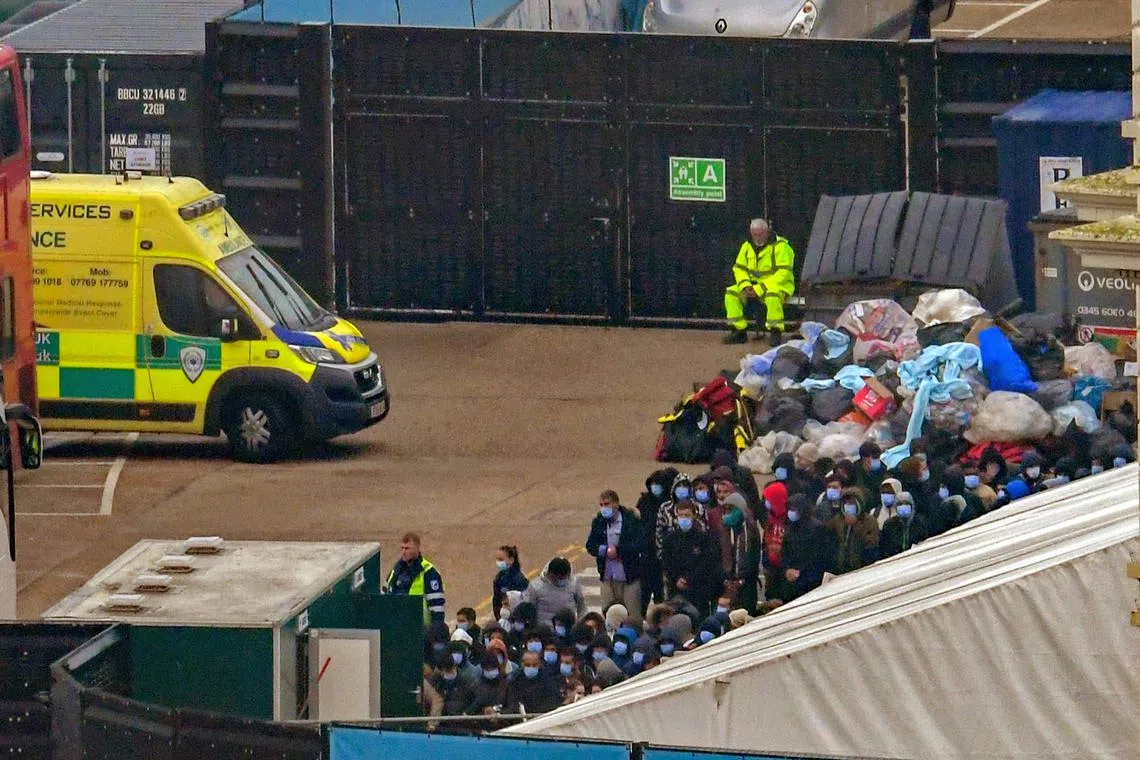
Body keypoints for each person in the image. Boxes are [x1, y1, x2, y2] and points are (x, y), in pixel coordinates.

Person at [722, 218, 796, 344]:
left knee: (773, 296)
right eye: (754, 235)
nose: (757, 238)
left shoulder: (782, 247)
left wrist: (759, 288)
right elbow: (739, 269)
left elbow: (783, 273)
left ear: (767, 232)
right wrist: (746, 286)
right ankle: (739, 331)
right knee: (731, 293)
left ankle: (775, 332)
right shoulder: (746, 246)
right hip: (751, 286)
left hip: (778, 286)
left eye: (760, 234)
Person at [585, 489, 645, 626]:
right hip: (608, 576)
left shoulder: (631, 521)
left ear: (616, 504)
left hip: (629, 576)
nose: (604, 508)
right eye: (601, 505)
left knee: (632, 615)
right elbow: (590, 545)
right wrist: (604, 550)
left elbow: (639, 544)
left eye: (607, 504)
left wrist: (619, 551)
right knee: (607, 612)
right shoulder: (599, 522)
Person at [660, 501, 722, 617]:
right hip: (676, 589)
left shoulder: (703, 538)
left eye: (687, 515)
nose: (684, 519)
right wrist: (676, 578)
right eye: (681, 515)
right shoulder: (670, 539)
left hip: (698, 589)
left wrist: (689, 579)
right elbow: (666, 562)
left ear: (693, 516)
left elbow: (706, 562)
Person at [775, 497, 834, 602]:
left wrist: (800, 572)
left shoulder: (817, 529)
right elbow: (785, 553)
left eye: (794, 509)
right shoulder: (790, 528)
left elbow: (819, 556)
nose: (791, 512)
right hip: (791, 583)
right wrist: (787, 570)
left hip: (810, 581)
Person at [637, 468, 678, 611]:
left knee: (661, 595)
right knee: (644, 593)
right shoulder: (645, 501)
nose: (655, 487)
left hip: (662, 554)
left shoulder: (668, 504)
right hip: (647, 555)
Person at [385, 532, 445, 625]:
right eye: (402, 548)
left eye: (408, 548)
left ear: (417, 548)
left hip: (419, 627)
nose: (404, 552)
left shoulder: (428, 572)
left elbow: (437, 605)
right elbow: (386, 595)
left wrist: (436, 629)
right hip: (397, 624)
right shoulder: (396, 570)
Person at [722, 493, 762, 614]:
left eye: (731, 510)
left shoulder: (750, 529)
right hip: (731, 582)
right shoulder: (729, 528)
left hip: (746, 583)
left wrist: (742, 578)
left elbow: (751, 558)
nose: (727, 514)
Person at [655, 473, 706, 561]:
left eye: (685, 486)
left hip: (694, 555)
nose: (682, 489)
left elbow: (704, 531)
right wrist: (662, 556)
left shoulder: (698, 508)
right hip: (671, 554)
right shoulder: (665, 508)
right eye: (679, 486)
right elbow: (659, 532)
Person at [522, 557, 586, 625]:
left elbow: (581, 605)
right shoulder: (535, 587)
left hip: (568, 627)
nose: (561, 581)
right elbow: (528, 610)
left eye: (564, 578)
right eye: (559, 578)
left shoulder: (574, 583)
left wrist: (580, 622)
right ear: (551, 575)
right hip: (544, 629)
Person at [829, 488, 880, 575]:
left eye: (851, 503)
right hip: (840, 568)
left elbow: (871, 544)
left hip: (860, 568)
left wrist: (855, 526)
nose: (848, 506)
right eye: (846, 503)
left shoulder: (869, 521)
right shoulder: (837, 520)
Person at [505, 650, 563, 715]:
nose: (531, 667)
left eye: (534, 665)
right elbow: (511, 704)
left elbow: (553, 701)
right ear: (522, 664)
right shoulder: (515, 681)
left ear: (539, 664)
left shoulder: (547, 679)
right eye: (528, 665)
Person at [879, 493, 929, 559]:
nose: (903, 507)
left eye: (906, 504)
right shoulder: (889, 524)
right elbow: (885, 546)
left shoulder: (919, 522)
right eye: (900, 504)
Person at [492, 545, 529, 620]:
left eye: (501, 559)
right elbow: (496, 600)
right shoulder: (499, 577)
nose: (498, 562)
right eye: (498, 559)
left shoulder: (519, 580)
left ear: (511, 560)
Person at [856, 442, 887, 509]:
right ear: (864, 458)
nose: (877, 460)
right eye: (874, 457)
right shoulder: (854, 472)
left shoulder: (884, 470)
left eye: (878, 457)